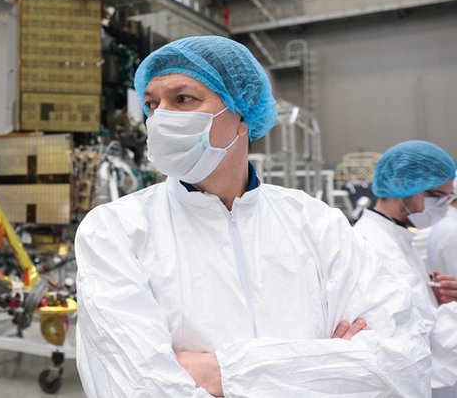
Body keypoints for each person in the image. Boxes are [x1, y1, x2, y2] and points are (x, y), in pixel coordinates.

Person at [75, 35, 430, 397]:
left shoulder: (316, 223)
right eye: (152, 104)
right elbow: (136, 388)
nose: (161, 117)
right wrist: (330, 363)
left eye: (183, 99)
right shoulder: (116, 232)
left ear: (242, 112)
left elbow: (404, 365)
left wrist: (220, 373)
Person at [354, 142, 457, 397]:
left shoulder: (397, 236)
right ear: (404, 185)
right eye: (439, 196)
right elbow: (425, 342)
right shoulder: (377, 246)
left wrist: (436, 300)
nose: (445, 206)